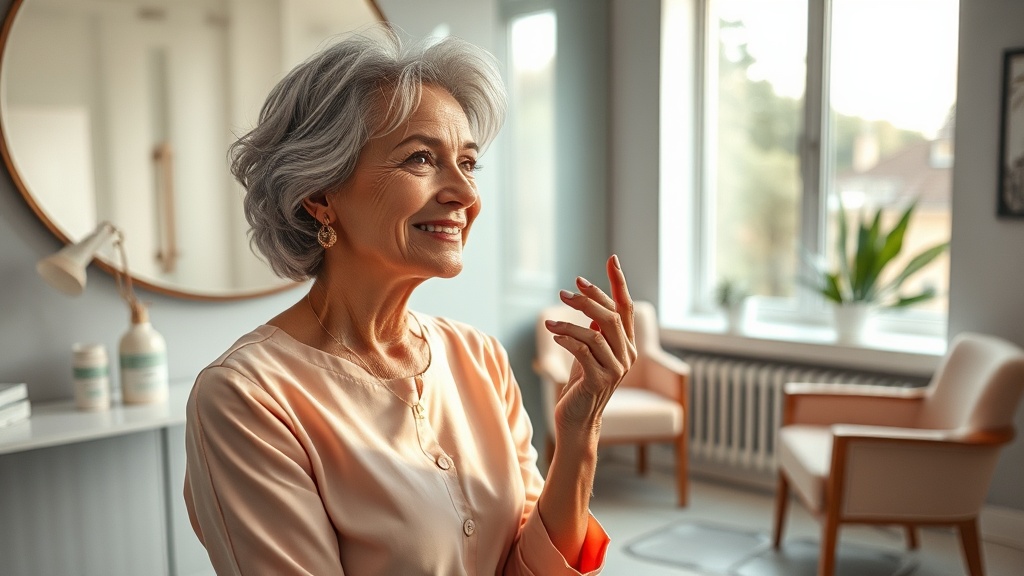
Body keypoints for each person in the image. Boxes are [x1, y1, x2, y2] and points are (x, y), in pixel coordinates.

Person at [183, 26, 636, 576]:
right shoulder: (248, 397)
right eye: (421, 159)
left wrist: (581, 431)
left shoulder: (482, 360)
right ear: (320, 196)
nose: (465, 196)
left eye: (468, 163)